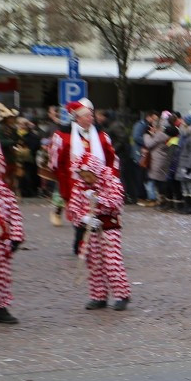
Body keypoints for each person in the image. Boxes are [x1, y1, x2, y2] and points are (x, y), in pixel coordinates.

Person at [50, 100, 119, 255]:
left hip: (100, 184)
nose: (91, 118)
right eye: (87, 115)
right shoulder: (63, 136)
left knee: (98, 213)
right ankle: (81, 241)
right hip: (74, 184)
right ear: (77, 118)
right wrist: (63, 184)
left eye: (91, 115)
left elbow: (112, 159)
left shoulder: (102, 136)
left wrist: (111, 179)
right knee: (79, 213)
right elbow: (56, 163)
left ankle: (94, 243)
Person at [68, 151, 131, 311]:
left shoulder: (111, 181)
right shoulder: (79, 186)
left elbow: (117, 202)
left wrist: (98, 200)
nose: (87, 180)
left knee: (112, 261)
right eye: (84, 176)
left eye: (89, 176)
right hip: (91, 228)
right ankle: (99, 296)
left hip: (109, 226)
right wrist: (84, 218)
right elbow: (73, 208)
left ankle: (122, 294)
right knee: (94, 262)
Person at [0, 128, 24, 324]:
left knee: (2, 276)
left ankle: (0, 307)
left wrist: (17, 235)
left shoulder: (4, 190)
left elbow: (15, 214)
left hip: (1, 241)